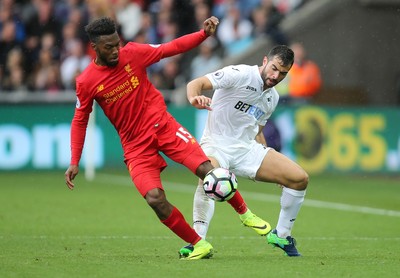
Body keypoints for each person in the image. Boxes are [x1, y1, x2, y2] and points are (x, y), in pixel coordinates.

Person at [64, 16, 224, 260]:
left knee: (208, 170)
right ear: (95, 48)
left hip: (163, 127)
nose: (116, 50)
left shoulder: (133, 53)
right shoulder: (86, 81)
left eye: (117, 44)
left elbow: (170, 48)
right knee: (154, 198)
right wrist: (75, 160)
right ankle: (198, 243)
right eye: (109, 47)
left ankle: (246, 214)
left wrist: (203, 35)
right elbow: (80, 119)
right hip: (135, 146)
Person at [179, 45, 308, 257]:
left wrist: (272, 161)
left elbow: (257, 129)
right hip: (217, 144)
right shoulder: (239, 74)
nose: (276, 76)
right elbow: (196, 83)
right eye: (274, 68)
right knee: (208, 178)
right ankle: (197, 241)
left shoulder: (272, 98)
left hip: (247, 149)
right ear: (265, 61)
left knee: (299, 178)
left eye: (283, 73)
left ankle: (282, 235)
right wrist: (195, 98)